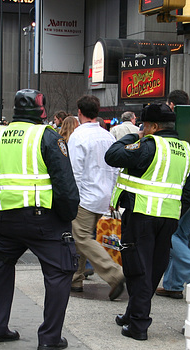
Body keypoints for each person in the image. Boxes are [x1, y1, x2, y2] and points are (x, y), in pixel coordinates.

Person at [0, 89, 79, 350]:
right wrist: (66, 216)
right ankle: (49, 337)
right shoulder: (47, 136)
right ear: (41, 111)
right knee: (59, 272)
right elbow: (65, 186)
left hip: (5, 220)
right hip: (43, 219)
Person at [105, 103, 190, 340]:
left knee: (138, 270)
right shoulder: (185, 149)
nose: (142, 129)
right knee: (154, 269)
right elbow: (189, 190)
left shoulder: (148, 144)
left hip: (142, 215)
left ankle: (138, 325)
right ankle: (132, 312)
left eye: (144, 125)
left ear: (153, 126)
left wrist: (135, 135)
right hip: (169, 217)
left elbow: (112, 155)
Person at [68, 95, 125, 299]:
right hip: (104, 195)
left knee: (81, 237)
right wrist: (113, 195)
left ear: (79, 112)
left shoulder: (78, 136)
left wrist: (72, 196)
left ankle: (113, 273)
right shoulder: (107, 136)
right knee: (83, 239)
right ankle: (76, 279)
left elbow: (75, 171)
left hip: (85, 196)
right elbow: (116, 168)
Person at [156, 90, 190, 301]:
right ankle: (173, 284)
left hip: (185, 192)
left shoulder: (177, 128)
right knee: (181, 235)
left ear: (171, 104)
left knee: (172, 236)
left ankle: (189, 268)